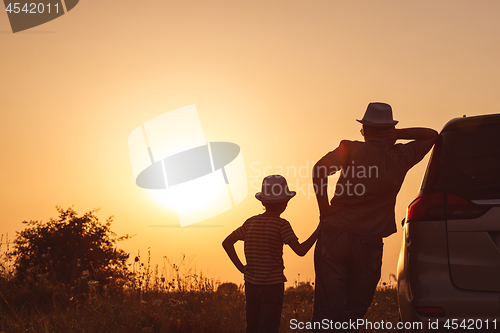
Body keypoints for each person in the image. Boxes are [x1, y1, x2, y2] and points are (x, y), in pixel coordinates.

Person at [311, 102, 438, 332]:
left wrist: (324, 209)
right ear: (389, 129)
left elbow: (319, 170)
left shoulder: (349, 149)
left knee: (327, 311)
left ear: (366, 129)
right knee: (353, 312)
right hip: (368, 243)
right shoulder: (402, 155)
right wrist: (399, 134)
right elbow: (431, 135)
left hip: (334, 236)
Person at [223, 175, 321, 333]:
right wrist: (319, 230)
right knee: (268, 327)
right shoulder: (282, 225)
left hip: (251, 284)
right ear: (285, 203)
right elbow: (301, 251)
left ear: (262, 202)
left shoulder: (250, 223)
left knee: (252, 326)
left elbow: (227, 242)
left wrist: (242, 267)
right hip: (272, 287)